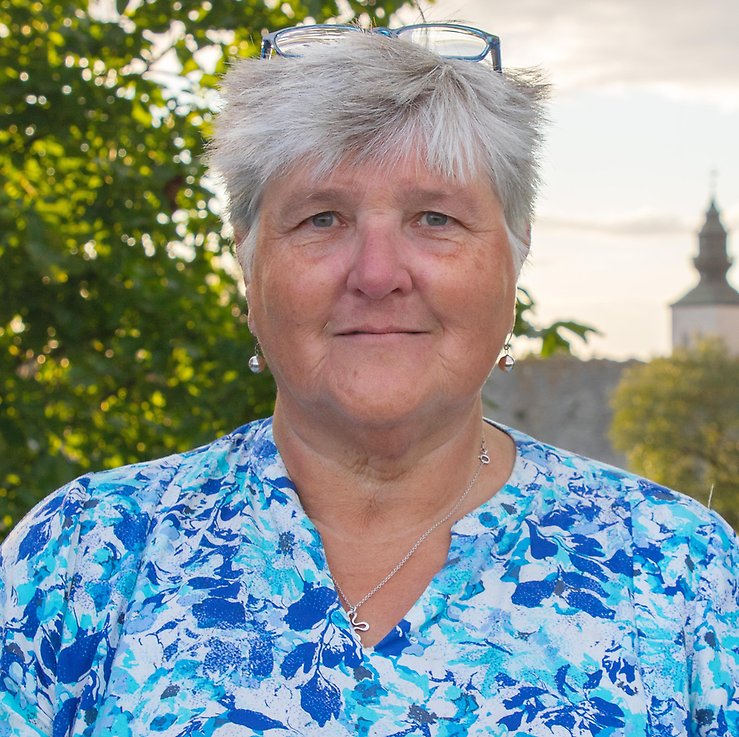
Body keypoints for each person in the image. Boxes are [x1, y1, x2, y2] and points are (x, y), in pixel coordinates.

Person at [1, 23, 737, 737]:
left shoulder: (681, 574)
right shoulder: (84, 557)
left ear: (514, 258)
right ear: (249, 266)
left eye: (435, 218)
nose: (378, 274)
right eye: (322, 219)